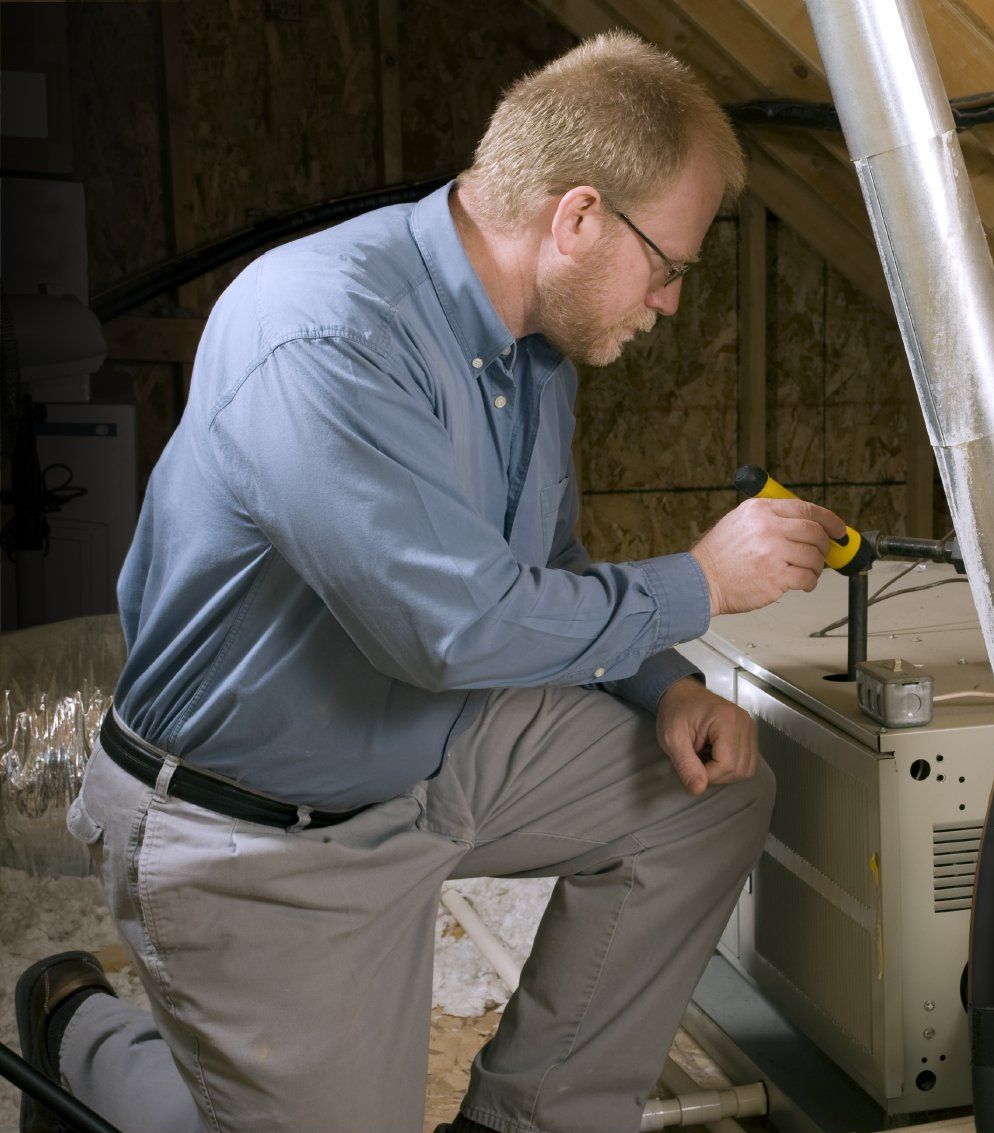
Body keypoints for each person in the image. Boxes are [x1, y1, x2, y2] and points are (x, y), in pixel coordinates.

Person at [13, 31, 845, 1133]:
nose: (672, 300)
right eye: (671, 264)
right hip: (256, 831)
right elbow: (448, 632)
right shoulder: (323, 331)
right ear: (579, 217)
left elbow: (541, 574)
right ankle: (82, 1026)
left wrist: (666, 687)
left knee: (709, 796)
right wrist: (702, 579)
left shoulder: (530, 348)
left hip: (429, 750)